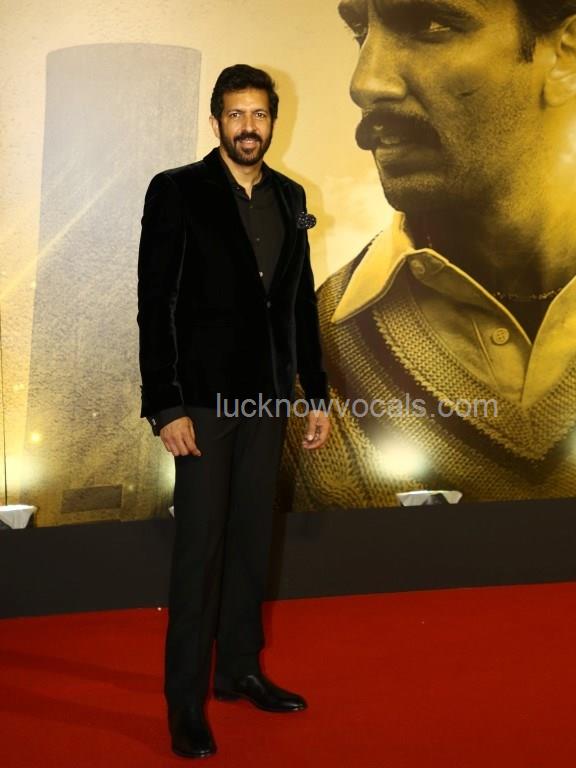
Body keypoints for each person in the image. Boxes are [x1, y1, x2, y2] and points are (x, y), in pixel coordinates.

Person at [283, 0, 576, 510]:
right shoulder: (306, 361)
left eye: (429, 25)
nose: (365, 83)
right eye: (360, 31)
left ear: (569, 54)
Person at [137, 64, 331, 759]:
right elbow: (155, 302)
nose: (249, 127)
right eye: (236, 114)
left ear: (273, 121)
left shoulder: (290, 196)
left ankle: (240, 670)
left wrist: (315, 392)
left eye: (260, 115)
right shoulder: (177, 190)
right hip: (201, 401)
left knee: (252, 539)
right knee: (201, 549)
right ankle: (185, 702)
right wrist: (165, 404)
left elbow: (299, 301)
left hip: (267, 398)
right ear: (216, 120)